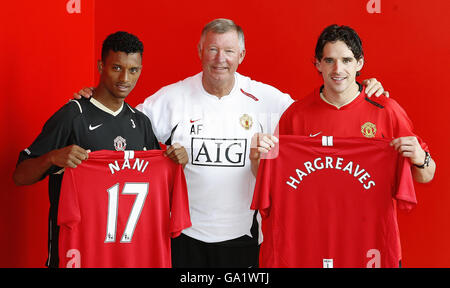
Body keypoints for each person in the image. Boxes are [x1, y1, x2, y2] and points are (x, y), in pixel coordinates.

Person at [75, 19, 388, 268]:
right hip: (184, 236)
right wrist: (97, 99)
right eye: (212, 50)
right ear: (200, 52)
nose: (219, 59)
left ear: (242, 56)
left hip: (245, 237)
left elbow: (318, 115)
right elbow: (125, 124)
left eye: (228, 51)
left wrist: (361, 92)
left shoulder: (267, 99)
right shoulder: (172, 98)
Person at [13, 31, 187, 268]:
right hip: (79, 252)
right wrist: (54, 157)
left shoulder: (141, 122)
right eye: (116, 67)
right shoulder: (74, 115)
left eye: (133, 70)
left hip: (128, 255)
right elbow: (20, 175)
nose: (124, 77)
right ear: (100, 66)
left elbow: (157, 189)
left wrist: (175, 161)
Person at [276, 24, 435, 182]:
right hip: (315, 208)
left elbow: (426, 176)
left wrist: (421, 159)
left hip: (372, 208)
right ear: (318, 63)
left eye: (346, 60)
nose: (338, 69)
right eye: (330, 60)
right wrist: (258, 157)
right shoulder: (295, 114)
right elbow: (276, 173)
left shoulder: (386, 109)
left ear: (359, 63)